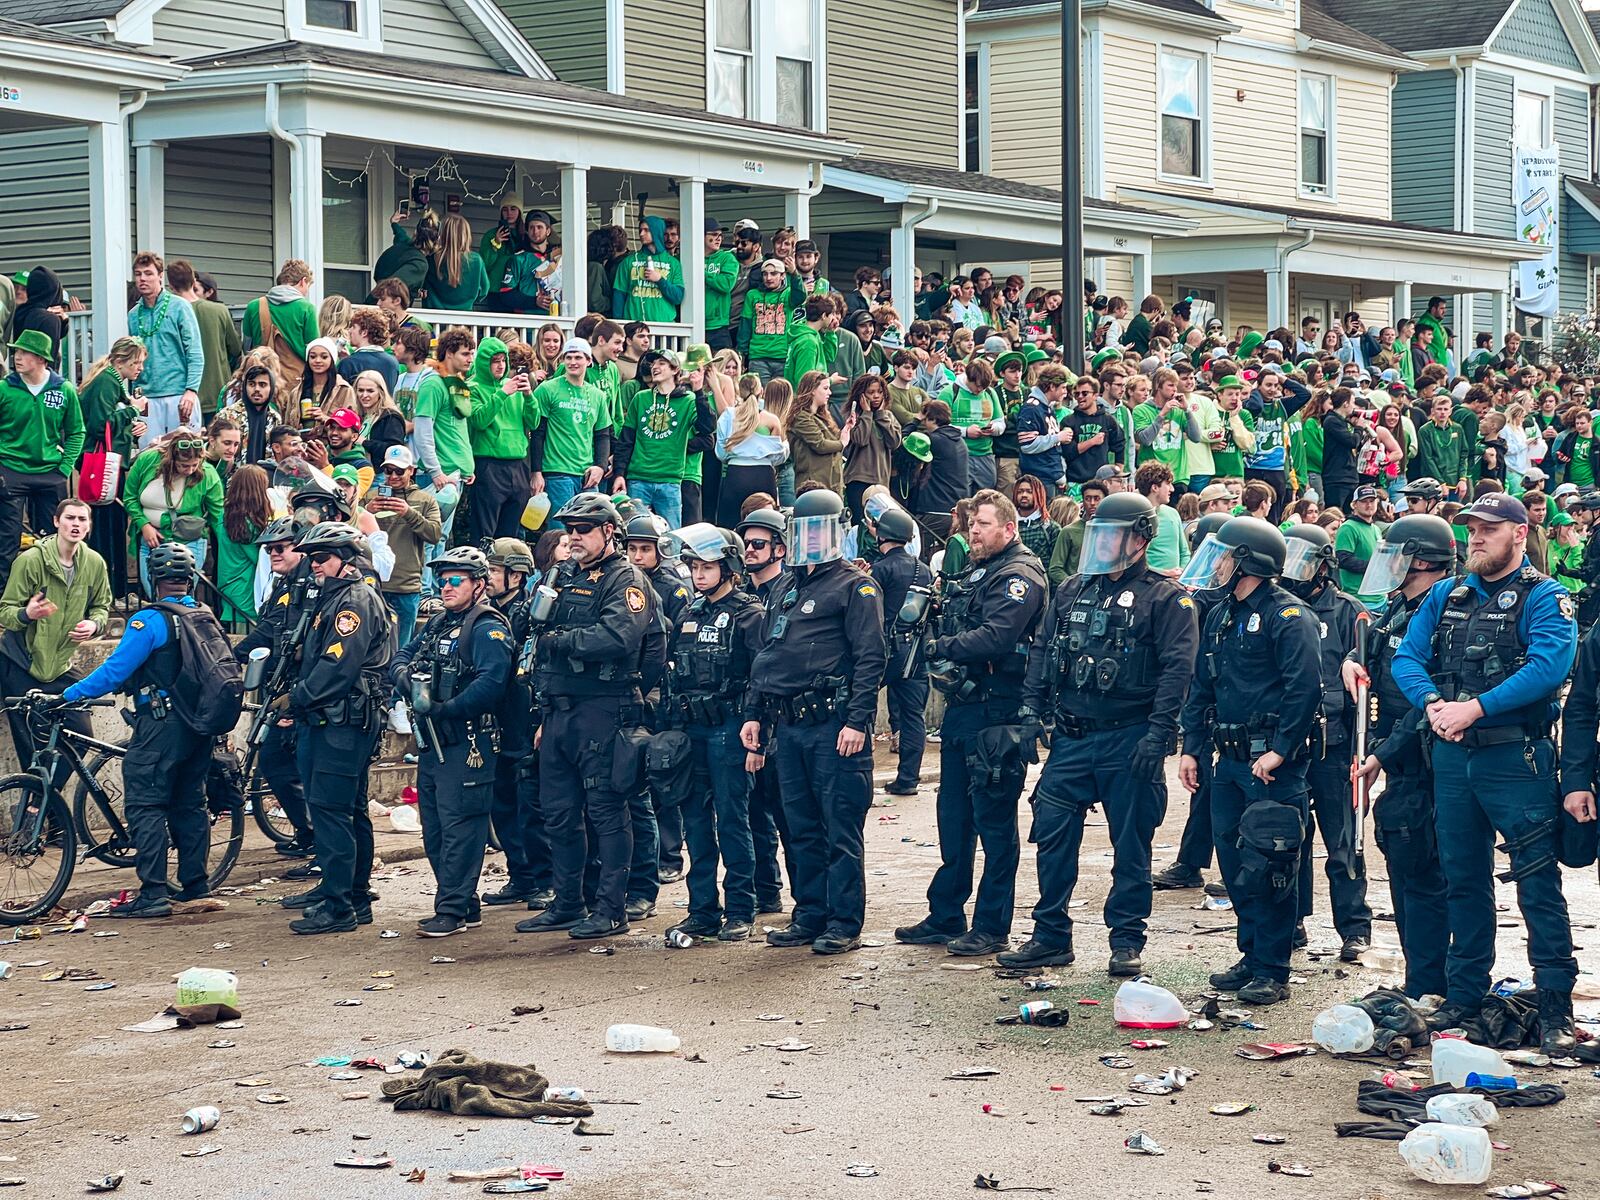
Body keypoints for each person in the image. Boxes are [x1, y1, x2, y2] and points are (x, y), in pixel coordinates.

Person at [1391, 493, 1578, 1052]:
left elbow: (1549, 666)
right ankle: (1465, 997)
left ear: (1519, 535)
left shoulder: (1546, 596)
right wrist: (1431, 704)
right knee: (1461, 880)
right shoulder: (1449, 592)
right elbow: (1407, 657)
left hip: (1514, 757)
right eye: (1471, 529)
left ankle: (1555, 1008)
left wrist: (1477, 706)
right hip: (1452, 755)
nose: (1476, 538)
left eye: (1488, 529)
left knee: (1538, 884)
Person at [1001, 492, 1198, 971]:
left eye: (1115, 533)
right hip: (1072, 737)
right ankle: (1050, 935)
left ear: (1141, 538)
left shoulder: (1166, 598)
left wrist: (1159, 735)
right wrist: (1031, 711)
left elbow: (1178, 671)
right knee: (1051, 834)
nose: (1105, 542)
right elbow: (1044, 650)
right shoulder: (1072, 589)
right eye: (1100, 533)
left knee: (1131, 843)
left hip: (1129, 737)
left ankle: (1126, 941)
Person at [895, 489, 1047, 956]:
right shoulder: (978, 571)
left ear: (1008, 527)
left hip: (998, 713)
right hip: (965, 710)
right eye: (971, 524)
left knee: (995, 824)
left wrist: (942, 647)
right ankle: (946, 914)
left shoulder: (1020, 575)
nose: (974, 532)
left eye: (982, 524)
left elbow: (998, 636)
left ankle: (992, 925)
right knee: (954, 819)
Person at [1179, 517, 1323, 1005]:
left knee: (1272, 865)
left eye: (1224, 556)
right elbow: (1203, 684)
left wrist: (1281, 748)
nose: (1217, 565)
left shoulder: (1289, 617)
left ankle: (1272, 967)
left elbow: (1304, 689)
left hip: (1272, 763)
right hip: (1230, 761)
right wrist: (1192, 748)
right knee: (1236, 861)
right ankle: (1250, 954)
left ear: (1247, 561)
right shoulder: (1222, 614)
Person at [742, 490, 885, 954]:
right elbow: (769, 656)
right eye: (803, 531)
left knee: (839, 829)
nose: (811, 539)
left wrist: (858, 720)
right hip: (789, 724)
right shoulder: (786, 586)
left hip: (833, 725)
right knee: (800, 826)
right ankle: (809, 914)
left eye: (819, 530)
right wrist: (755, 715)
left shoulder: (855, 585)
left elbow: (870, 657)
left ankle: (844, 922)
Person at [525, 493, 662, 939]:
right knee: (559, 814)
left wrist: (561, 641)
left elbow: (619, 636)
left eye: (583, 529)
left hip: (605, 707)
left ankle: (611, 909)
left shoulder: (627, 578)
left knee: (606, 810)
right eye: (570, 530)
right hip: (560, 710)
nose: (575, 538)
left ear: (608, 531)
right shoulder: (562, 574)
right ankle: (568, 902)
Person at [60, 544, 214, 917]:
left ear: (152, 579)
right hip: (200, 725)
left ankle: (154, 894)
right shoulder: (204, 614)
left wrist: (69, 693)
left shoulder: (150, 621)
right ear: (190, 579)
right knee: (190, 803)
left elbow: (115, 670)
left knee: (146, 803)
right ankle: (196, 888)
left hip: (161, 725)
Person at [1343, 513, 1456, 1000]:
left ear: (1422, 561)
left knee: (1426, 877)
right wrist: (1353, 659)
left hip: (1425, 762)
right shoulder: (1397, 608)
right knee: (1404, 872)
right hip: (1395, 760)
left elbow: (1428, 703)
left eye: (1397, 554)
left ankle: (1431, 985)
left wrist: (1382, 756)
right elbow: (1370, 654)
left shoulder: (1443, 613)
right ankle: (1420, 979)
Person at [393, 547, 512, 937]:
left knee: (461, 826)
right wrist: (409, 681)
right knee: (436, 827)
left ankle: (452, 909)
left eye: (455, 580)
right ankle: (465, 901)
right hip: (432, 742)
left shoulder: (487, 626)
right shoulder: (440, 623)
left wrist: (448, 709)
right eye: (442, 580)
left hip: (468, 741)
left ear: (479, 584)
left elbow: (492, 683)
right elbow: (402, 656)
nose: (446, 587)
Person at [660, 524, 766, 942]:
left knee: (733, 820)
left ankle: (742, 908)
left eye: (707, 567)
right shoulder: (689, 614)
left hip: (730, 727)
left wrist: (757, 730)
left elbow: (762, 675)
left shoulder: (749, 613)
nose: (698, 575)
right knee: (695, 824)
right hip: (692, 729)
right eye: (693, 567)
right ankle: (702, 910)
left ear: (729, 567)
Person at [1280, 523, 1373, 961]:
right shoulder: (1278, 607)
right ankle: (1291, 922)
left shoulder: (1348, 611)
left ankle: (1354, 928)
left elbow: (1366, 676)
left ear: (1324, 565)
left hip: (1335, 746)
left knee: (1344, 840)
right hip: (1290, 742)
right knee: (1287, 838)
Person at [0, 499, 110, 785]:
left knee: (82, 734)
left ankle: (49, 802)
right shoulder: (31, 561)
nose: (76, 524)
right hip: (21, 664)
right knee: (33, 749)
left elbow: (102, 606)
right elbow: (5, 611)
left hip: (60, 665)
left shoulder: (94, 563)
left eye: (82, 520)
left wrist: (94, 624)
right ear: (56, 522)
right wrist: (27, 613)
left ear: (88, 527)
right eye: (70, 518)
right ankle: (37, 817)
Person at [234, 515, 318, 862]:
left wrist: (295, 699)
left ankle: (316, 839)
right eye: (269, 550)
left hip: (303, 696)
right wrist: (227, 656)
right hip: (280, 692)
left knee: (295, 769)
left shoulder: (313, 588)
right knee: (275, 765)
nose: (273, 555)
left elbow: (315, 651)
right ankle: (306, 832)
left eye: (280, 548)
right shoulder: (285, 588)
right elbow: (266, 633)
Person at [478, 538, 553, 913]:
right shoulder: (485, 613)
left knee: (530, 806)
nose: (488, 577)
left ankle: (543, 879)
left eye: (494, 570)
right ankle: (520, 874)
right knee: (502, 803)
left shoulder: (531, 614)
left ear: (516, 575)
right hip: (498, 721)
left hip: (525, 718)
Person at [0, 329, 85, 590]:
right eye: (17, 351)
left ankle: (55, 594)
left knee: (55, 538)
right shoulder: (5, 388)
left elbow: (76, 431)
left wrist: (65, 467)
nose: (18, 357)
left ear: (41, 359)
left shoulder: (63, 389)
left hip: (51, 471)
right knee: (7, 540)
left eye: (25, 352)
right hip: (10, 469)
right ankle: (4, 600)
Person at [77, 336, 149, 592]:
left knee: (112, 523)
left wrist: (133, 428)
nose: (140, 368)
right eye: (136, 362)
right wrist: (133, 410)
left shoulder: (112, 380)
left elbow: (112, 423)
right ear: (121, 361)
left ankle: (113, 584)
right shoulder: (107, 381)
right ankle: (109, 585)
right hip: (103, 464)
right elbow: (100, 425)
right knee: (108, 525)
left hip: (110, 462)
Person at [872, 507, 932, 797]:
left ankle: (858, 772)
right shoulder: (924, 568)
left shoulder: (881, 569)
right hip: (916, 650)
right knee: (913, 717)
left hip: (885, 649)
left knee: (861, 705)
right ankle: (908, 778)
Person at [465, 336, 538, 543]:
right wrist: (502, 394)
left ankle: (505, 573)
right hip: (489, 464)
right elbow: (479, 420)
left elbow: (533, 423)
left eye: (503, 360)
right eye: (495, 361)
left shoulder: (514, 385)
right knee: (485, 532)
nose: (500, 365)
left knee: (511, 534)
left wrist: (529, 396)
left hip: (517, 464)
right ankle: (481, 572)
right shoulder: (472, 387)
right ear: (484, 362)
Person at [530, 338, 611, 519]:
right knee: (560, 531)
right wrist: (536, 472)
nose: (573, 362)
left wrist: (600, 466)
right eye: (568, 357)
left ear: (589, 361)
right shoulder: (547, 389)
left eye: (578, 357)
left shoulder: (598, 395)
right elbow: (537, 433)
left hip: (587, 475)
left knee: (588, 530)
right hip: (558, 473)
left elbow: (603, 435)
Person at [369, 445, 441, 647]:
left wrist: (409, 513)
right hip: (374, 584)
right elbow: (352, 531)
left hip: (406, 586)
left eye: (399, 471)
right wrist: (366, 511)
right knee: (371, 646)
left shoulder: (426, 500)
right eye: (388, 470)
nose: (393, 476)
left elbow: (435, 535)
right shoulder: (371, 496)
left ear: (412, 470)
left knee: (402, 647)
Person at [129, 251, 203, 446]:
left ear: (160, 276)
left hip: (179, 394)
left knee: (184, 454)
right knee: (148, 456)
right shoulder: (133, 315)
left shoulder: (180, 307)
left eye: (148, 273)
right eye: (138, 274)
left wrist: (191, 390)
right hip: (146, 397)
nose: (142, 278)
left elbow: (194, 352)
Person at [243, 260, 320, 393]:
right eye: (308, 286)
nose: (307, 292)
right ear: (303, 281)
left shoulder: (254, 306)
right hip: (295, 383)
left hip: (261, 382)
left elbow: (246, 346)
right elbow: (314, 350)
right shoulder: (307, 308)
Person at [217, 463, 271, 623]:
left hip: (231, 584)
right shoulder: (247, 523)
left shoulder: (226, 515)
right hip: (245, 589)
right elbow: (259, 557)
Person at [612, 216, 684, 321]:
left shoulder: (673, 263)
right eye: (640, 230)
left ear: (657, 231)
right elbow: (619, 296)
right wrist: (619, 325)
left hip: (664, 328)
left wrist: (660, 280)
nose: (641, 234)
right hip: (634, 327)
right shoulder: (628, 262)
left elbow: (678, 297)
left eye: (646, 230)